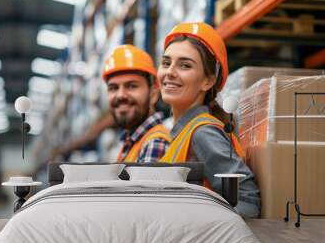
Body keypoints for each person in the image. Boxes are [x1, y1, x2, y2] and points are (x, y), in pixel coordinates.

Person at [158, 22, 260, 218]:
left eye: (185, 65)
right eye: (166, 63)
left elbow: (247, 202)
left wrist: (199, 226)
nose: (170, 72)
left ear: (208, 81)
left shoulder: (203, 133)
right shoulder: (182, 133)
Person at [103, 44, 171, 162]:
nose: (120, 95)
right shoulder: (133, 141)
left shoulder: (154, 144)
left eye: (132, 86)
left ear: (153, 94)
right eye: (113, 88)